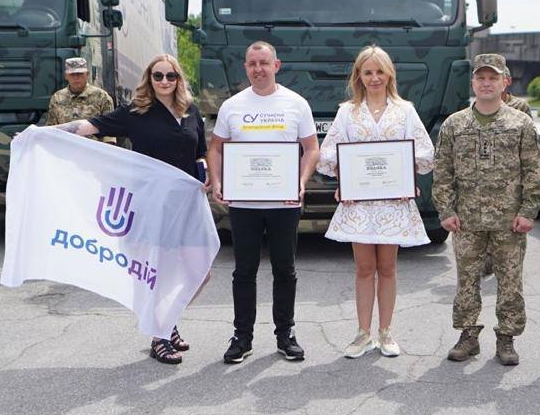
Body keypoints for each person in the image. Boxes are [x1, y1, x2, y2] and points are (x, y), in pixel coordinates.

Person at [53, 54, 207, 364]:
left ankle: (169, 319)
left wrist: (206, 181)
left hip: (188, 204)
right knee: (161, 271)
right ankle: (159, 336)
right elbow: (89, 126)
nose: (164, 81)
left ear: (179, 79)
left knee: (198, 272)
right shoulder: (136, 113)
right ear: (149, 79)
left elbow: (200, 154)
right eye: (158, 76)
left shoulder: (191, 112)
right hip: (151, 205)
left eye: (171, 76)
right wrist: (44, 133)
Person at [317, 46, 435, 359]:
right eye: (367, 72)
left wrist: (406, 178)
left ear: (389, 74)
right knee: (364, 268)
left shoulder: (405, 110)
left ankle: (385, 331)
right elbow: (328, 155)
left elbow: (424, 153)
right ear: (359, 76)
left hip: (393, 204)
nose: (374, 78)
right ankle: (362, 333)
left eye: (379, 71)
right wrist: (345, 180)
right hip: (359, 204)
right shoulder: (347, 112)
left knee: (388, 267)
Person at [207, 41, 320, 364]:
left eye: (264, 63)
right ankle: (242, 337)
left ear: (276, 66)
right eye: (252, 63)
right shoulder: (233, 106)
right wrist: (217, 181)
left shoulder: (296, 104)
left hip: (283, 202)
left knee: (285, 270)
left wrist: (299, 182)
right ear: (246, 67)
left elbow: (311, 148)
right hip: (244, 204)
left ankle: (286, 334)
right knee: (244, 271)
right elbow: (216, 148)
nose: (258, 69)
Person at [433, 53, 540, 365]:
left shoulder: (520, 123)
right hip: (466, 219)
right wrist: (445, 210)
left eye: (493, 78)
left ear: (504, 82)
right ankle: (468, 336)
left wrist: (528, 211)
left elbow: (533, 171)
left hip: (509, 220)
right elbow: (443, 172)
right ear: (473, 83)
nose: (486, 83)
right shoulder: (455, 125)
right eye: (481, 78)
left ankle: (506, 339)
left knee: (510, 282)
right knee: (466, 281)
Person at [46, 57, 114, 126]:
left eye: (80, 74)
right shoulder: (57, 98)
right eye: (72, 74)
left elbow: (109, 128)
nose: (76, 78)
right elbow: (52, 128)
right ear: (66, 76)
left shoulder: (101, 97)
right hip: (66, 137)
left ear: (87, 74)